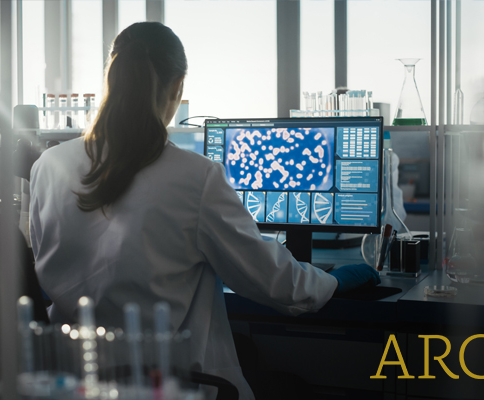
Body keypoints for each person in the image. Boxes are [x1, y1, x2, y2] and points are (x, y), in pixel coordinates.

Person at [29, 22, 380, 400]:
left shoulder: (49, 165)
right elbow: (280, 286)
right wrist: (336, 282)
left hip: (71, 383)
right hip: (170, 387)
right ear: (177, 88)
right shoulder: (194, 177)